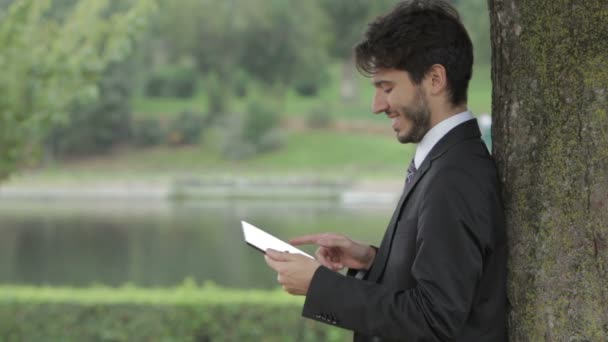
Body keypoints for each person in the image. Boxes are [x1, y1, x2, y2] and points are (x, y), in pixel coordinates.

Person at [264, 0, 507, 340]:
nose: (377, 106)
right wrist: (371, 260)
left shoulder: (455, 176)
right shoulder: (442, 160)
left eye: (387, 88)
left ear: (435, 79)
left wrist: (321, 286)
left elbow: (434, 318)